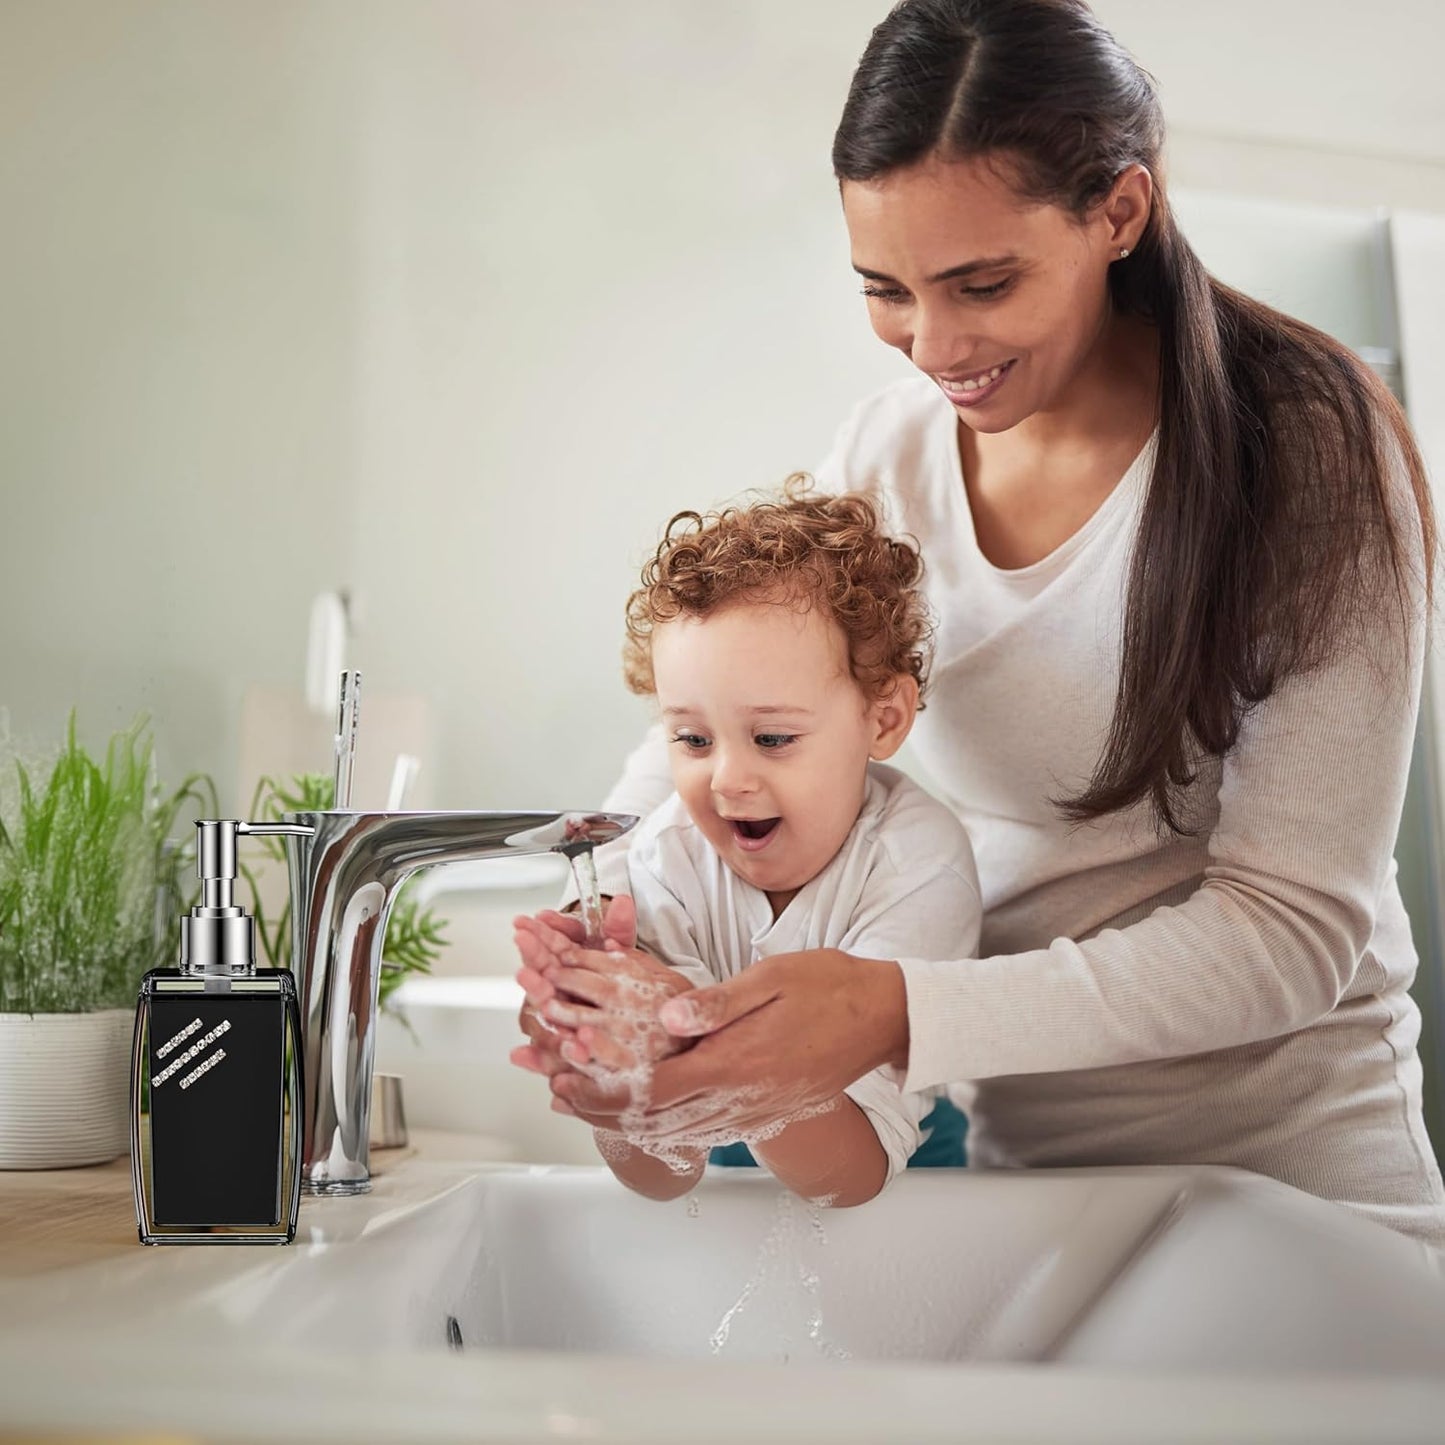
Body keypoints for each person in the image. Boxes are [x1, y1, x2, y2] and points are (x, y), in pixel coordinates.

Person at [520, 0, 1445, 1247]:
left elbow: (1291, 928)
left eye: (982, 283)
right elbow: (726, 714)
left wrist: (899, 1007)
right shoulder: (887, 454)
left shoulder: (1306, 452)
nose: (934, 345)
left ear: (1117, 212)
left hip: (1290, 1191)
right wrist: (612, 909)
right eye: (885, 290)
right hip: (1027, 1189)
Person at [512, 484, 981, 1206]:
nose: (727, 780)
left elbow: (851, 1177)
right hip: (736, 1191)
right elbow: (666, 1181)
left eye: (771, 738)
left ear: (882, 717)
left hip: (905, 1197)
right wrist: (613, 1071)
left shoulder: (918, 864)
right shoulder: (667, 856)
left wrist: (702, 1050)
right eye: (692, 738)